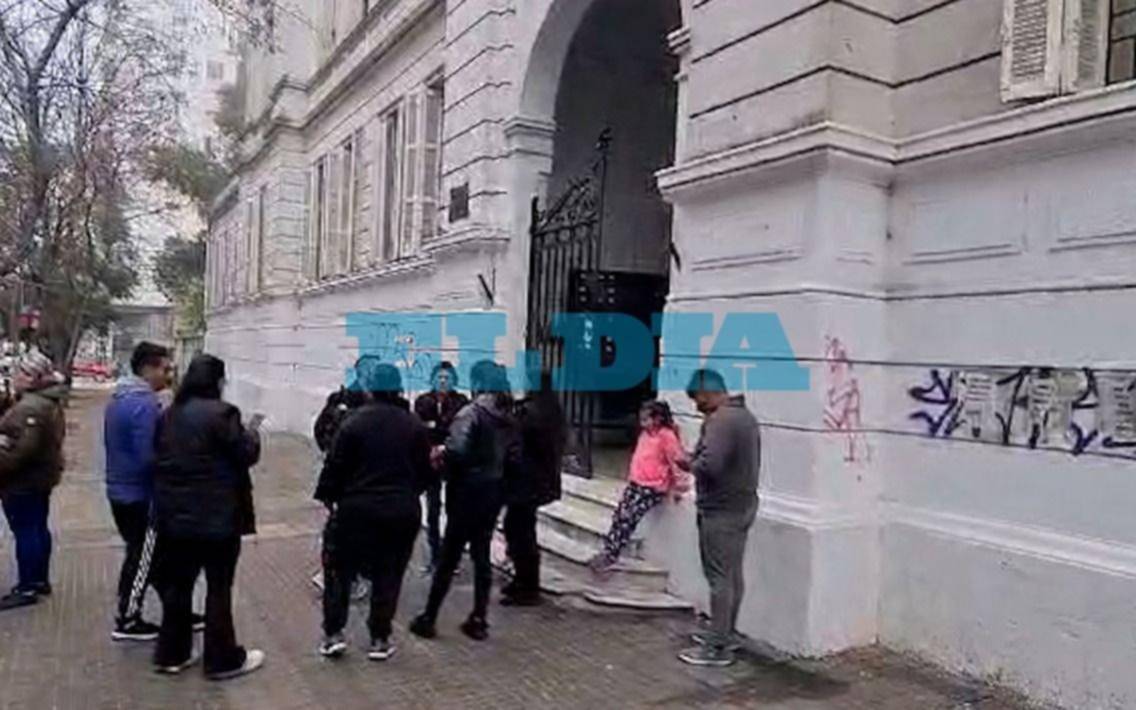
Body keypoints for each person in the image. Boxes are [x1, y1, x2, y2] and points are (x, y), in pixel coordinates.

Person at [151, 354, 265, 679]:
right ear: (217, 381)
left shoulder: (169, 414)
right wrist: (252, 434)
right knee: (218, 589)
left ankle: (172, 654)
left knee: (178, 587)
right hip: (218, 519)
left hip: (175, 518)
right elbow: (245, 454)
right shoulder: (224, 414)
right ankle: (221, 659)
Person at [315, 364, 434, 661]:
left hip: (356, 509)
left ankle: (334, 634)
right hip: (401, 510)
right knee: (389, 573)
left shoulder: (353, 423)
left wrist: (330, 498)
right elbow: (426, 473)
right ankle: (379, 638)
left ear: (369, 389)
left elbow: (334, 467)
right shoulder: (414, 425)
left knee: (339, 571)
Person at [410, 361, 519, 642]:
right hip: (493, 491)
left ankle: (429, 617)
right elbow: (514, 457)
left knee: (449, 556)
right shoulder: (507, 414)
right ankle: (479, 618)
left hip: (466, 492)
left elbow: (457, 451)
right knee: (482, 555)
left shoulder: (472, 413)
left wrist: (441, 457)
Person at [104, 342, 187, 641]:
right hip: (139, 496)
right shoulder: (144, 404)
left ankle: (177, 610)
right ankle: (127, 618)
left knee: (152, 556)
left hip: (121, 490)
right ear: (148, 368)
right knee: (143, 557)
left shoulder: (120, 398)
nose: (169, 375)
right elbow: (147, 457)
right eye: (165, 369)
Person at [678, 369, 761, 668]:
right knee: (733, 575)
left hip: (720, 510)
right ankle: (725, 633)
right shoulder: (745, 417)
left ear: (709, 393)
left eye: (697, 399)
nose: (696, 406)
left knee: (719, 579)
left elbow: (710, 466)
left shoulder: (720, 421)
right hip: (742, 506)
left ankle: (716, 648)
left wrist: (687, 462)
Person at [588, 401, 690, 575]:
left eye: (646, 418)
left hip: (653, 487)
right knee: (620, 514)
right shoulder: (644, 435)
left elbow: (677, 462)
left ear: (658, 419)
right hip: (636, 482)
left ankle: (611, 555)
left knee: (629, 517)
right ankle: (607, 549)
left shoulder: (666, 436)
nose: (642, 421)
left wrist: (679, 487)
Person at [0, 352, 66, 610]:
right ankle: (38, 579)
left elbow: (20, 451)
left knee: (26, 531)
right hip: (38, 477)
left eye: (19, 373)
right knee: (37, 528)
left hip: (23, 480)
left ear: (31, 377)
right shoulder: (46, 402)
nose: (14, 377)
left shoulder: (30, 408)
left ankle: (27, 586)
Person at [310, 356, 380, 597]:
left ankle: (360, 573)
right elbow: (321, 430)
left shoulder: (382, 400)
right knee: (340, 526)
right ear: (359, 372)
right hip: (346, 476)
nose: (372, 374)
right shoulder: (342, 399)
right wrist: (330, 452)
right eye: (369, 370)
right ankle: (335, 574)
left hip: (369, 476)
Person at [500, 372, 565, 606]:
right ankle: (522, 580)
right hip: (538, 482)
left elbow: (516, 442)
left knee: (520, 533)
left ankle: (527, 586)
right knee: (520, 530)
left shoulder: (531, 413)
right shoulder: (551, 410)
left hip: (526, 482)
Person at [413, 362, 469, 575]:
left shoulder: (461, 402)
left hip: (454, 461)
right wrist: (430, 448)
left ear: (454, 381)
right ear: (432, 380)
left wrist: (444, 445)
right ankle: (435, 557)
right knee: (433, 511)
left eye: (447, 377)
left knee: (455, 511)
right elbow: (420, 429)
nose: (443, 381)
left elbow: (460, 431)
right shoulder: (423, 402)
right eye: (439, 377)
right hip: (430, 462)